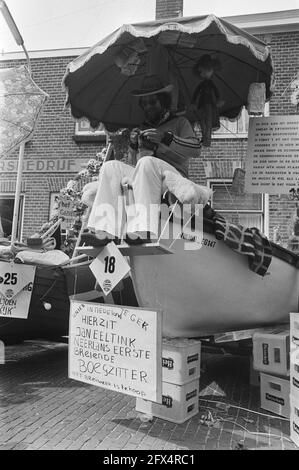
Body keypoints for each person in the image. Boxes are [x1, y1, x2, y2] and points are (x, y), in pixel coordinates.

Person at [84, 75, 202, 245]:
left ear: (163, 102)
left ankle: (143, 228)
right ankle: (104, 229)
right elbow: (134, 167)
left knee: (147, 162)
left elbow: (196, 149)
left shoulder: (180, 123)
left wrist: (165, 138)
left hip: (173, 178)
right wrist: (133, 145)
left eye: (152, 102)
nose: (148, 107)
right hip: (147, 175)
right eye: (145, 103)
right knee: (111, 167)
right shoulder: (142, 128)